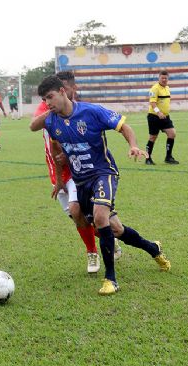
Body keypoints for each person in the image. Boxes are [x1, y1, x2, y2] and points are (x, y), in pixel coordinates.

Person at [37, 75, 171, 296]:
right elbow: (50, 143)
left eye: (50, 97)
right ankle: (153, 248)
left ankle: (111, 279)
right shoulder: (52, 121)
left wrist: (134, 145)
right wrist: (61, 176)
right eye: (44, 99)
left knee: (100, 217)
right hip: (81, 181)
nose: (48, 103)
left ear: (63, 91)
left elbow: (124, 127)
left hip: (103, 173)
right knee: (115, 229)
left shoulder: (91, 111)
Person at [30, 71, 121, 274]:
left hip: (79, 172)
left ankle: (93, 252)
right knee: (84, 219)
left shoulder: (81, 111)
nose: (49, 100)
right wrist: (51, 109)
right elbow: (35, 127)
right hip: (57, 173)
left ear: (71, 89)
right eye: (47, 98)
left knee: (77, 209)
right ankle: (111, 238)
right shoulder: (50, 108)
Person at [146, 70, 179, 165]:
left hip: (165, 117)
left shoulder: (167, 88)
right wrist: (158, 112)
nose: (164, 80)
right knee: (152, 137)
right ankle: (148, 158)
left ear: (168, 79)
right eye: (162, 78)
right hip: (154, 117)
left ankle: (168, 157)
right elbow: (152, 103)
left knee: (172, 133)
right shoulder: (155, 88)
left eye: (166, 78)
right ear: (159, 78)